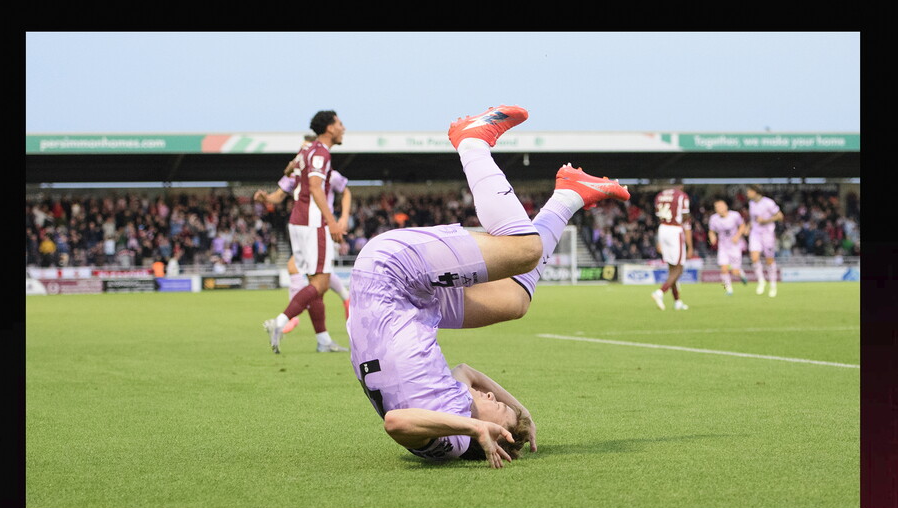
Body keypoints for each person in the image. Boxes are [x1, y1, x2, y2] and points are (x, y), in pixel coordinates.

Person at [348, 105, 630, 468]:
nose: (498, 402)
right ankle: (570, 195)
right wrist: (519, 409)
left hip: (390, 273)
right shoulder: (455, 407)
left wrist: (475, 425)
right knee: (514, 301)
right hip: (407, 299)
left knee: (524, 249)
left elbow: (396, 422)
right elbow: (466, 370)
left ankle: (472, 141)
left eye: (502, 415)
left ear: (492, 435)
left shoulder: (449, 441)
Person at [257, 112, 349, 353]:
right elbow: (317, 189)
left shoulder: (307, 152)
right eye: (340, 124)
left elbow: (290, 171)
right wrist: (333, 223)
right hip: (313, 223)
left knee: (314, 283)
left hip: (298, 221)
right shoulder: (320, 153)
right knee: (321, 284)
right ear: (329, 128)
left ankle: (323, 341)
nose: (343, 128)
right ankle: (280, 321)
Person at [651, 181, 692, 310]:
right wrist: (690, 246)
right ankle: (660, 292)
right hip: (675, 229)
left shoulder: (660, 195)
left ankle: (677, 301)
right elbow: (685, 216)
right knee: (679, 268)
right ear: (681, 186)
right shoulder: (682, 196)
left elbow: (658, 216)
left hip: (662, 228)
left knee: (672, 268)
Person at [746, 184, 784, 297]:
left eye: (749, 191)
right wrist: (748, 227)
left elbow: (780, 216)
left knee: (769, 260)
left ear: (755, 192)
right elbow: (753, 219)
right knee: (754, 257)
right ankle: (761, 281)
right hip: (755, 233)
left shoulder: (768, 203)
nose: (747, 193)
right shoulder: (751, 204)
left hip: (767, 233)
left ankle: (773, 284)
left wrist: (766, 220)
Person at [707, 197, 748, 295]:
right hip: (723, 247)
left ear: (726, 206)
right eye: (716, 207)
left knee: (735, 272)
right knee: (724, 269)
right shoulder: (714, 219)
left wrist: (737, 236)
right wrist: (712, 238)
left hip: (734, 246)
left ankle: (741, 274)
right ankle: (728, 289)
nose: (718, 208)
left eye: (720, 206)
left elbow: (742, 226)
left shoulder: (735, 215)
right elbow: (711, 231)